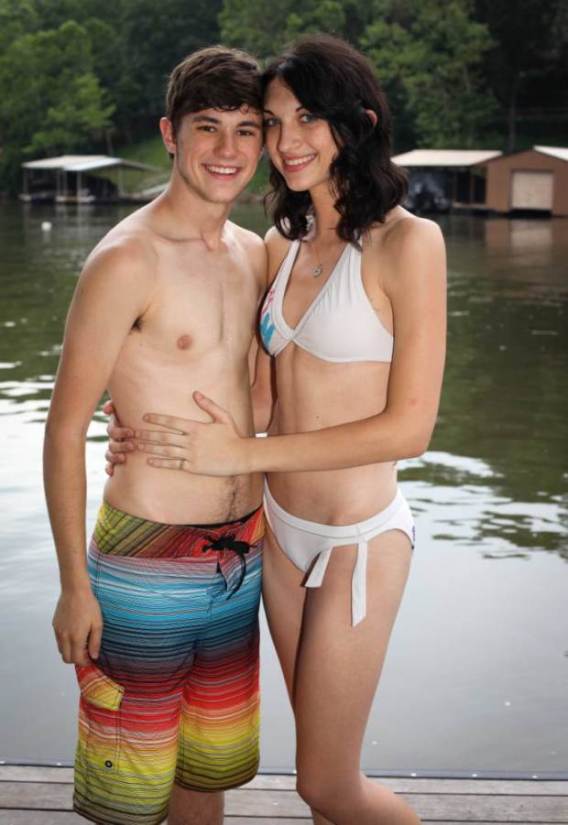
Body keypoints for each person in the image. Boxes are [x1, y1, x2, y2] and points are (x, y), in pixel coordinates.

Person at [107, 35, 446, 825]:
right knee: (321, 764)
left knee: (327, 783)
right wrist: (132, 417)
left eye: (309, 119)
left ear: (356, 124)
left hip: (357, 539)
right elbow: (253, 390)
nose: (287, 141)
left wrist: (247, 452)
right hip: (280, 534)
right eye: (276, 120)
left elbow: (411, 426)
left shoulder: (408, 245)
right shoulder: (278, 245)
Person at [43, 46, 268, 825]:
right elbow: (64, 426)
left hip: (241, 553)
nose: (229, 151)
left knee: (207, 775)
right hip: (146, 559)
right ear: (170, 133)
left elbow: (258, 394)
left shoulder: (256, 254)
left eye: (247, 130)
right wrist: (74, 583)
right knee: (127, 796)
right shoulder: (125, 259)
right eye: (210, 128)